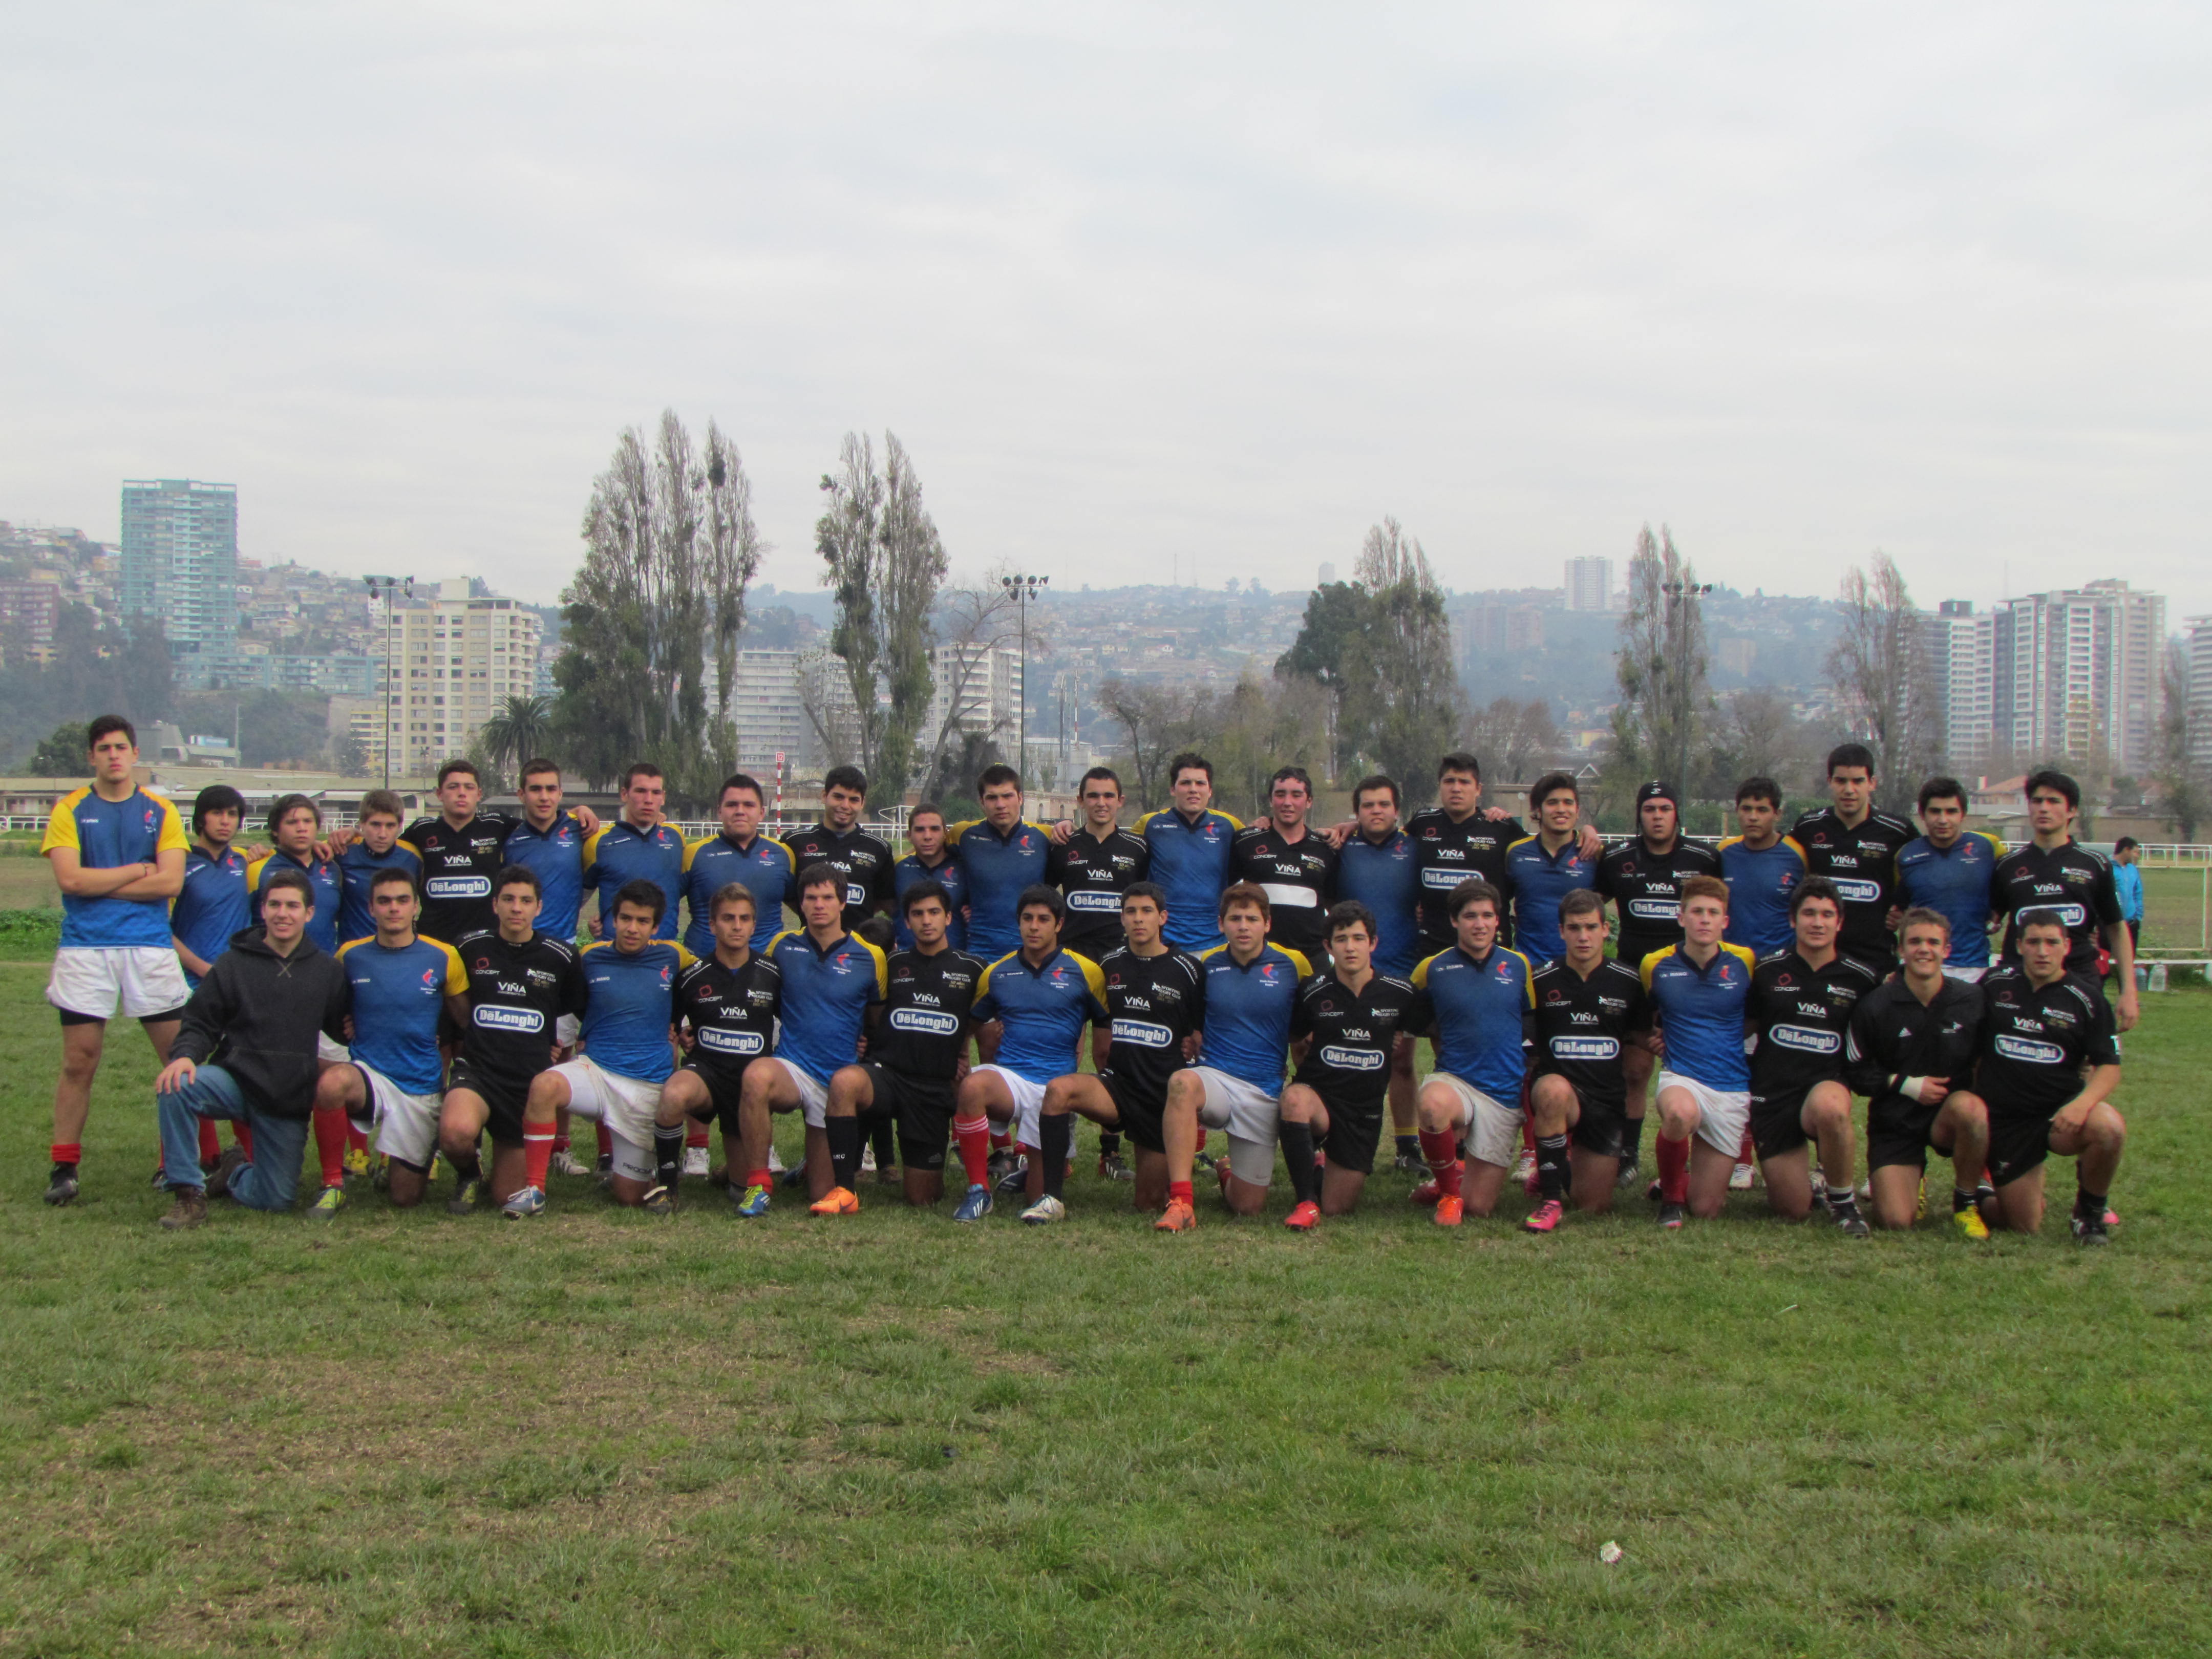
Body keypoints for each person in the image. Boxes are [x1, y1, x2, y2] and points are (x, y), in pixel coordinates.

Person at [41, 715, 189, 1205]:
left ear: (135, 753)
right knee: (79, 1061)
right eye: (103, 748)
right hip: (86, 949)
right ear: (91, 757)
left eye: (120, 746)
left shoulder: (160, 810)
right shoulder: (70, 809)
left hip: (149, 948)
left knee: (178, 1061)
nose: (112, 755)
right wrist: (135, 871)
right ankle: (64, 1167)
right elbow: (72, 883)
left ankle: (177, 1165)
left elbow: (169, 884)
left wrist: (103, 881)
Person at [151, 869, 352, 1228]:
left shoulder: (326, 971)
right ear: (263, 910)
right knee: (176, 1086)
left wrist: (355, 1027)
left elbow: (344, 1027)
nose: (282, 913)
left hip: (285, 1095)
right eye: (274, 904)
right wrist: (185, 1056)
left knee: (275, 1200)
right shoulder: (233, 964)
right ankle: (187, 1194)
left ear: (309, 913)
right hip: (235, 1080)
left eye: (293, 906)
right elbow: (201, 1022)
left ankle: (233, 1173)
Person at [505, 880, 697, 1217]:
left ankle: (644, 1167)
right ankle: (535, 1189)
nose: (632, 928)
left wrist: (685, 1025)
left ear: (656, 926)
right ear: (612, 919)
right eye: (625, 919)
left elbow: (707, 986)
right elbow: (564, 1001)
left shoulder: (673, 955)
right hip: (596, 1070)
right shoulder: (590, 957)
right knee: (544, 1085)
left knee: (628, 1196)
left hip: (647, 1083)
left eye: (642, 921)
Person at [310, 867, 471, 1216]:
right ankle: (332, 1184)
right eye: (384, 901)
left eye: (402, 900)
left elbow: (467, 1021)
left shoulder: (444, 956)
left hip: (420, 1086)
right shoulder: (349, 956)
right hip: (370, 1075)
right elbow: (333, 1012)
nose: (393, 909)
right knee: (332, 1084)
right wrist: (345, 1026)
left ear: (416, 907)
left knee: (404, 1198)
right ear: (371, 909)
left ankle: (414, 1159)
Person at [730, 864, 888, 1215]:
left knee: (820, 1193)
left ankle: (808, 1167)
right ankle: (758, 1184)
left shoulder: (870, 957)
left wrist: (866, 1049)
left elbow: (876, 1022)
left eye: (828, 897)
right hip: (793, 1068)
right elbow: (757, 1000)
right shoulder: (781, 946)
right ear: (800, 904)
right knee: (756, 1076)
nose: (819, 905)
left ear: (843, 902)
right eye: (811, 897)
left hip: (836, 1083)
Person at [821, 880, 986, 1212]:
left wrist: (961, 1048)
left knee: (922, 1198)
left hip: (932, 1088)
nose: (927, 920)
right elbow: (873, 1015)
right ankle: (843, 1189)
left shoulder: (972, 969)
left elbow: (978, 1021)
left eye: (934, 912)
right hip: (888, 1077)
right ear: (907, 921)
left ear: (949, 918)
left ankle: (909, 1154)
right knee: (845, 1082)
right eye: (918, 914)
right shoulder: (891, 964)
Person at [1039, 883, 1204, 1216]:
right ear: (1122, 918)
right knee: (1059, 1091)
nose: (1138, 919)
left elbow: (1200, 1034)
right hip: (1118, 1085)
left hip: (1161, 1095)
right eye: (1131, 912)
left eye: (1146, 912)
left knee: (1148, 1203)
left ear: (1163, 918)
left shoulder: (1188, 970)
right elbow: (1080, 1013)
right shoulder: (1109, 965)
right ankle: (1052, 1198)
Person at [1156, 884, 1310, 1230]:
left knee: (1248, 1207)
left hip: (1263, 1090)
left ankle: (1227, 1170)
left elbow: (1305, 1024)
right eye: (1235, 918)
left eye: (1252, 919)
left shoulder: (1293, 965)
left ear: (1267, 924)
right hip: (1217, 1080)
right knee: (1182, 1083)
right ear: (1221, 923)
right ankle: (1181, 1201)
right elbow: (1191, 1024)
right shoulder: (1207, 965)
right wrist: (1190, 1043)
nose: (1243, 926)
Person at [953, 886, 1108, 1223]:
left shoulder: (1086, 971)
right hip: (1011, 1079)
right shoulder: (998, 973)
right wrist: (962, 1057)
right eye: (1027, 919)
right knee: (972, 1087)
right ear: (1018, 923)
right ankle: (979, 1190)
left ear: (1059, 925)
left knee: (1039, 1197)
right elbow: (970, 1023)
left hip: (1055, 1089)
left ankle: (1030, 1172)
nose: (1034, 927)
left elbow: (1106, 1027)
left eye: (1043, 920)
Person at [439, 864, 588, 1213]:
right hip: (478, 1072)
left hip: (526, 1083)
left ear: (539, 907)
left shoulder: (561, 957)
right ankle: (469, 1174)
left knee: (507, 1196)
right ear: (495, 905)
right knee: (455, 1133)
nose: (516, 908)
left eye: (525, 901)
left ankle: (500, 1173)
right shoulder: (468, 947)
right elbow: (452, 1002)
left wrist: (553, 1044)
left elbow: (571, 1009)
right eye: (508, 899)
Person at [1973, 908, 2124, 1244]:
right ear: (2020, 945)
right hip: (2008, 1122)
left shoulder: (2088, 999)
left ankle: (2089, 1214)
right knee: (2024, 1225)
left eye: (2052, 942)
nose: (2043, 951)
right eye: (2034, 942)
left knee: (2109, 1129)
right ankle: (1981, 1194)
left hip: (2060, 1115)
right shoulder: (1994, 985)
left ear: (2067, 946)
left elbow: (2110, 1066)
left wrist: (2082, 1105)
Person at [1596, 779, 1721, 1183]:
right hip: (1635, 979)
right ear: (1640, 815)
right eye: (1650, 809)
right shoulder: (1617, 857)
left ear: (1676, 814)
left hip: (1690, 981)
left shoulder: (1704, 857)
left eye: (1665, 809)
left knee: (1696, 1068)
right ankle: (1628, 1154)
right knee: (1635, 1070)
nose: (1657, 816)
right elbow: (1588, 901)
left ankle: (1700, 1154)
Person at [1844, 907, 1993, 1237]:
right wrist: (1904, 1084)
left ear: (1947, 950)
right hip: (1896, 1120)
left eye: (1933, 942)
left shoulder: (1972, 1000)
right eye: (1914, 942)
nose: (1924, 949)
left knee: (1972, 1110)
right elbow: (1856, 1071)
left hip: (1949, 1116)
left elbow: (1991, 1058)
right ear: (1900, 950)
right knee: (1896, 1220)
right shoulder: (1875, 1006)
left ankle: (1966, 1202)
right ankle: (1914, 1179)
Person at [1742, 878, 1878, 1236]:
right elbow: (1741, 1026)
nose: (1818, 923)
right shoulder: (1767, 970)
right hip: (1773, 1094)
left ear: (1840, 922)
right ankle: (1809, 1191)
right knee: (1793, 1210)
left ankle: (1843, 1201)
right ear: (1793, 920)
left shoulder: (1862, 979)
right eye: (1809, 914)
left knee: (1832, 1109)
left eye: (1827, 915)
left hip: (1824, 1086)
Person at [1277, 901, 1422, 1228]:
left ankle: (1317, 1167)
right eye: (1341, 940)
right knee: (1295, 1100)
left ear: (1373, 943)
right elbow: (1297, 1040)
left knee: (1338, 1207)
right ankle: (1305, 1203)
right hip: (1321, 1098)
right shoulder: (1312, 991)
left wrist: (1394, 1036)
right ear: (1328, 946)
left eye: (1358, 938)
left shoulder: (1400, 993)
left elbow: (1417, 1035)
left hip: (1363, 1111)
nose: (1350, 947)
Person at [1524, 888, 1652, 1227]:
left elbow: (1640, 1036)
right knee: (1552, 1091)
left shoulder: (1628, 981)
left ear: (1606, 929)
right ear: (1561, 931)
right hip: (1559, 1089)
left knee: (1593, 1205)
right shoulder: (1540, 979)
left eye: (1591, 928)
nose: (1583, 937)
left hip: (1606, 1101)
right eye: (1574, 928)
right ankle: (1550, 1199)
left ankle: (1554, 1163)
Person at [1408, 880, 1534, 1226]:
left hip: (1503, 1095)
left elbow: (1531, 1025)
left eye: (1487, 916)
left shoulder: (1519, 966)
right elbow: (1414, 1020)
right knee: (1432, 1106)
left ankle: (1455, 1174)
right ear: (1454, 921)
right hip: (1456, 1081)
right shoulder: (1432, 968)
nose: (1479, 924)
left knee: (1480, 1207)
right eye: (1470, 916)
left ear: (1498, 921)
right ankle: (1449, 1195)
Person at [1641, 875, 1760, 1227]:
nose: (1704, 919)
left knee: (1707, 1208)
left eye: (1713, 913)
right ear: (1681, 917)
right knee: (1678, 1114)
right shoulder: (1656, 965)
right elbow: (1645, 1016)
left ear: (1725, 921)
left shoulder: (1745, 962)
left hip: (1730, 1085)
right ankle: (1672, 1203)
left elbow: (1754, 1017)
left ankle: (1671, 1183)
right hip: (1682, 1077)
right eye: (1696, 911)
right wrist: (1656, 1036)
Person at [656, 883, 783, 1207]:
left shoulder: (772, 975)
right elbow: (670, 1026)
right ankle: (667, 1187)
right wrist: (684, 1032)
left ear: (754, 925)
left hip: (749, 1086)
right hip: (706, 1073)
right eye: (728, 918)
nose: (737, 926)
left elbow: (797, 1023)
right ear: (712, 924)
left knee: (740, 1191)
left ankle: (732, 1171)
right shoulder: (692, 976)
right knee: (673, 1094)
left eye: (744, 919)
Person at [1989, 770, 2138, 1033]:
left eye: (2053, 801)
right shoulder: (2008, 866)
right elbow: (1989, 918)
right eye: (2037, 801)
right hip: (2020, 982)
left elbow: (2117, 927)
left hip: (2079, 978)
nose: (2043, 808)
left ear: (2072, 811)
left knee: (2084, 1066)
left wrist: (2129, 991)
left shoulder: (2094, 864)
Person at [1331, 774, 1426, 1169]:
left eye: (1383, 804)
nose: (1376, 811)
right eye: (1368, 805)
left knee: (1401, 1060)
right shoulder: (1340, 846)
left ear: (1397, 811)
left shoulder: (1417, 848)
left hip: (1402, 967)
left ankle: (1407, 1147)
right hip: (1351, 968)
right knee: (1347, 1056)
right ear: (1356, 811)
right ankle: (1340, 1141)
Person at [1790, 743, 1915, 977]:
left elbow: (1924, 872)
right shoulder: (1808, 826)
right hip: (1819, 957)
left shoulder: (1898, 831)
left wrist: (1906, 910)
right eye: (1841, 781)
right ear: (1830, 782)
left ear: (1872, 783)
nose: (1849, 790)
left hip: (1875, 959)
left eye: (1858, 781)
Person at [1892, 777, 2003, 982]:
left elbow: (2009, 888)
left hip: (1973, 967)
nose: (1943, 820)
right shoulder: (1906, 855)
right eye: (1935, 811)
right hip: (1921, 966)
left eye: (1951, 811)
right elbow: (1897, 908)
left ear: (1964, 814)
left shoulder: (1989, 847)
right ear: (1923, 814)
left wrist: (2000, 911)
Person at [1135, 753, 1243, 954]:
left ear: (1210, 790)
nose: (1193, 789)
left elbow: (1263, 841)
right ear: (1173, 789)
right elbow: (1113, 841)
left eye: (1200, 783)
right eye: (1185, 783)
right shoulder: (1150, 824)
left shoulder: (1230, 826)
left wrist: (1266, 823)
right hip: (1163, 943)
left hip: (1215, 943)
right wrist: (1069, 827)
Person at [1229, 765, 1339, 961]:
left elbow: (1335, 903)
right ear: (1271, 800)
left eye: (1296, 795)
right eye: (1280, 795)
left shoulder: (1326, 847)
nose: (1288, 802)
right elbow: (1224, 893)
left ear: (1309, 801)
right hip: (1260, 957)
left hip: (1313, 957)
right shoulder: (1245, 841)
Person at [947, 765, 1056, 962]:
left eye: (1007, 796)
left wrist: (1070, 826)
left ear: (1020, 798)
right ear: (982, 802)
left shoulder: (1044, 836)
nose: (1000, 805)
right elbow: (922, 851)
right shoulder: (963, 835)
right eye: (992, 798)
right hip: (979, 952)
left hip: (1030, 953)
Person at [683, 772, 794, 958]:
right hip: (703, 967)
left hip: (765, 969)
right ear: (720, 811)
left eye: (749, 805)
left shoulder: (783, 855)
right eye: (732, 804)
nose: (740, 811)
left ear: (762, 812)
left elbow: (806, 907)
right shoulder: (694, 854)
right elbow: (664, 906)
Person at [1500, 772, 1600, 970]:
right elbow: (1500, 900)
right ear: (1538, 810)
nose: (1561, 810)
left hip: (1578, 970)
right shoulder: (1516, 852)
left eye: (1568, 803)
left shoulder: (1594, 853)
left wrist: (1590, 829)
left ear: (1578, 810)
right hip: (1529, 968)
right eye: (1553, 803)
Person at [782, 763, 896, 935]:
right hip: (811, 946)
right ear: (824, 796)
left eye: (854, 800)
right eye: (838, 797)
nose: (845, 805)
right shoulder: (794, 842)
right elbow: (788, 895)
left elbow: (884, 901)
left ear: (863, 803)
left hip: (858, 948)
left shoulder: (879, 848)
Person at [583, 762, 686, 942]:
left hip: (663, 954)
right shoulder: (598, 843)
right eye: (641, 791)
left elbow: (681, 889)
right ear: (625, 794)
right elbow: (575, 898)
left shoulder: (676, 837)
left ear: (663, 797)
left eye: (656, 793)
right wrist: (599, 922)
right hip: (614, 953)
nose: (649, 799)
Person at [501, 758, 590, 947]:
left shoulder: (581, 830)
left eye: (551, 789)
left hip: (565, 945)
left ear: (560, 794)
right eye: (536, 789)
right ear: (521, 795)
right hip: (518, 946)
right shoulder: (509, 839)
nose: (544, 797)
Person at [171, 783, 250, 993]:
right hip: (191, 982)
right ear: (201, 819)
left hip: (237, 979)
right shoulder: (180, 863)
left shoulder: (242, 861)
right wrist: (204, 970)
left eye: (232, 814)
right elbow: (161, 929)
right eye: (217, 813)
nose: (225, 821)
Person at [1716, 777, 1805, 960]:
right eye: (1746, 809)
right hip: (1732, 964)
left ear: (1778, 814)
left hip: (1780, 965)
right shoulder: (1723, 853)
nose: (1753, 817)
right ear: (1737, 811)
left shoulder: (1797, 855)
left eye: (1762, 810)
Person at [249, 795, 345, 955]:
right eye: (292, 822)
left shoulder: (333, 869)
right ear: (275, 829)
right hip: (272, 970)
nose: (302, 828)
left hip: (324, 972)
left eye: (308, 821)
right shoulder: (257, 869)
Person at [335, 789, 424, 945]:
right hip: (353, 954)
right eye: (376, 825)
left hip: (399, 951)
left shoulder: (413, 857)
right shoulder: (342, 851)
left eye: (390, 826)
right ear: (362, 823)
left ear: (400, 826)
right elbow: (307, 850)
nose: (383, 834)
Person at [893, 804, 968, 952]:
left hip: (956, 963)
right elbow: (886, 906)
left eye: (935, 829)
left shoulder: (964, 867)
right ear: (909, 836)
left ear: (945, 833)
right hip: (907, 963)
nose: (928, 836)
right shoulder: (899, 869)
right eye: (920, 830)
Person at [2112, 837, 2144, 959]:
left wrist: (2138, 916)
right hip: (2112, 924)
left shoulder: (2133, 870)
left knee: (2129, 961)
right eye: (2135, 852)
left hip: (2132, 923)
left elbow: (2138, 893)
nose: (2137, 856)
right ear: (2126, 850)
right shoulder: (2108, 868)